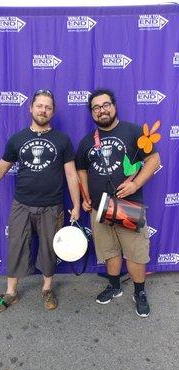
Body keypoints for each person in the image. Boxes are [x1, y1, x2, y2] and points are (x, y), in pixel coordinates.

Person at [0, 89, 80, 313]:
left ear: (53, 111)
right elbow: (1, 168)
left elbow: (71, 174)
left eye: (48, 107)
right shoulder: (17, 139)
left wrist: (77, 205)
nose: (43, 110)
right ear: (30, 108)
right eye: (39, 106)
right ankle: (11, 293)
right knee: (16, 246)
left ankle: (46, 289)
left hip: (52, 205)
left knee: (50, 249)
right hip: (22, 204)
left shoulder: (62, 140)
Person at [76, 89, 160, 317]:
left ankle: (139, 292)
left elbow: (154, 159)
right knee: (109, 251)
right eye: (96, 107)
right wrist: (85, 196)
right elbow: (81, 171)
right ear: (92, 113)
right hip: (99, 208)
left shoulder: (133, 131)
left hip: (128, 206)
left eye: (105, 105)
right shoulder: (86, 142)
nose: (101, 110)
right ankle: (114, 286)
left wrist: (135, 185)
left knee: (135, 253)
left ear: (113, 106)